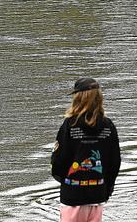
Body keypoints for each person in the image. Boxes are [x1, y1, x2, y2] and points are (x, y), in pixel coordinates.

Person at [50, 78, 121, 222]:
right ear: (99, 97)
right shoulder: (108, 126)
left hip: (73, 195)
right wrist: (107, 189)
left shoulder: (70, 125)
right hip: (97, 194)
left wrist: (64, 181)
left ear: (77, 98)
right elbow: (115, 162)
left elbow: (59, 160)